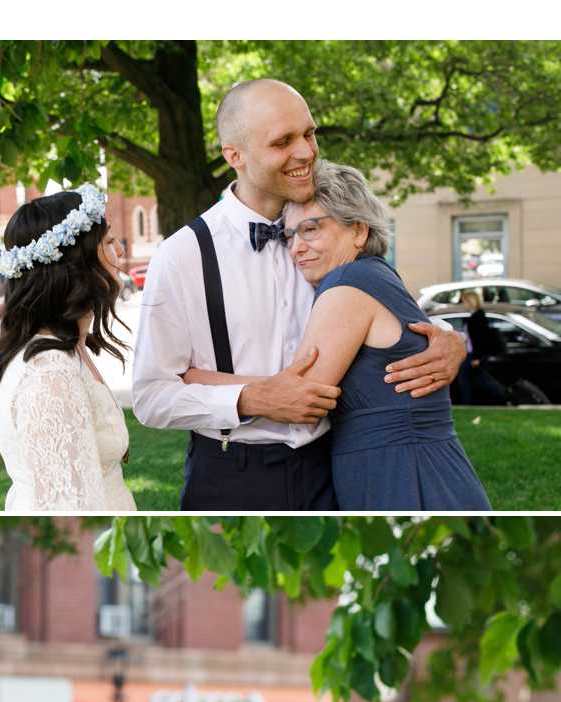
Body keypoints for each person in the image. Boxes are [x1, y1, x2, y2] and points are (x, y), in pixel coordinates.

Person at [131, 78, 464, 510]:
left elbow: (376, 303)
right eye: (283, 141)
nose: (306, 152)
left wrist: (448, 338)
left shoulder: (328, 230)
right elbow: (151, 396)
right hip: (234, 476)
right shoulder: (183, 256)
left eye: (309, 133)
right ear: (236, 156)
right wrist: (250, 398)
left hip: (335, 467)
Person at [182, 163, 489, 511]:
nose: (296, 247)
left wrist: (194, 379)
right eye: (289, 235)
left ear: (358, 230)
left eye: (311, 230)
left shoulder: (348, 286)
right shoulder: (373, 275)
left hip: (403, 473)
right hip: (403, 466)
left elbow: (299, 400)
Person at [0, 186, 137, 512]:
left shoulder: (69, 348)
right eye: (109, 242)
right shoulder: (49, 376)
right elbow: (70, 509)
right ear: (77, 264)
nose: (120, 252)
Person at [455, 290, 508, 407]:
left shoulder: (478, 317)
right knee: (476, 379)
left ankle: (502, 395)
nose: (464, 303)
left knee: (467, 380)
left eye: (465, 301)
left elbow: (479, 339)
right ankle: (502, 395)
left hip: (473, 355)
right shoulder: (475, 316)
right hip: (471, 354)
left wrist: (476, 357)